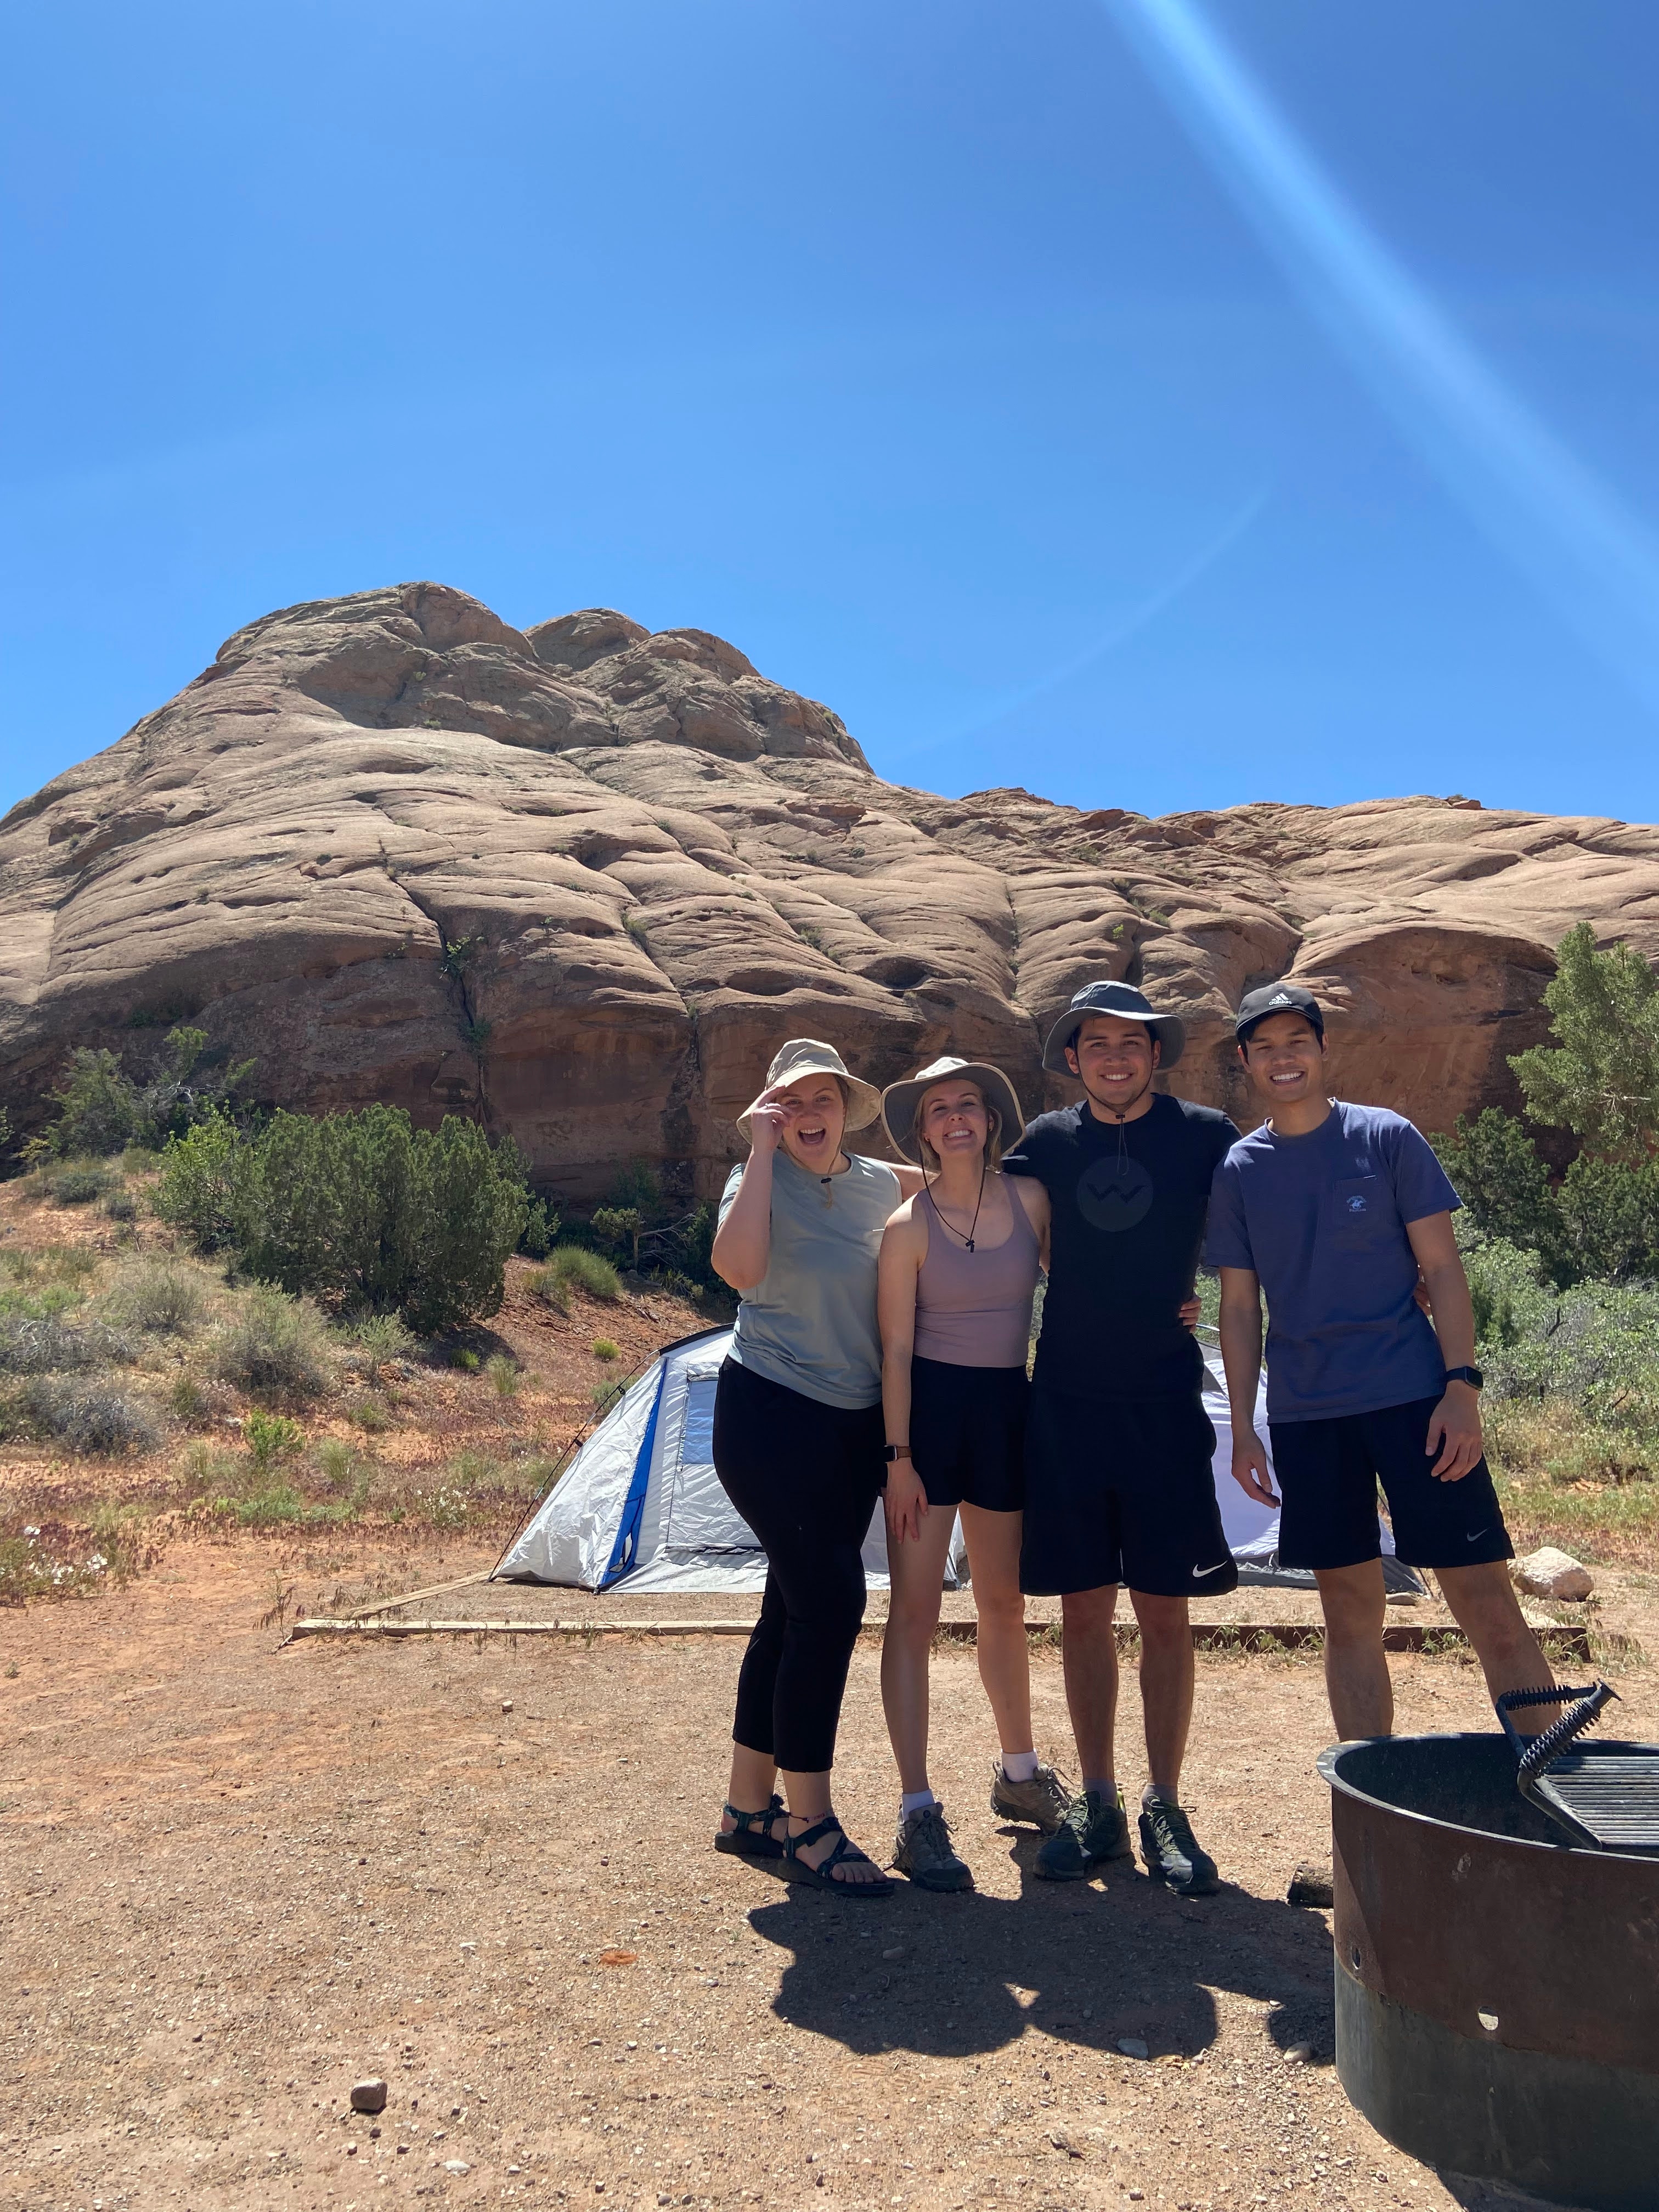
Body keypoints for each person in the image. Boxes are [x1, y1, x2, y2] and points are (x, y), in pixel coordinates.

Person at [1207, 984, 1559, 1740]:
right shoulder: (1240, 1170)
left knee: (1484, 1600)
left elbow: (1443, 1270)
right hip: (1308, 1416)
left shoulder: (1386, 1138)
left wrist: (1462, 1387)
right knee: (1347, 1613)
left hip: (1416, 1403)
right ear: (1244, 1061)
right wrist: (1243, 1428)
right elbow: (1240, 1309)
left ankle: (1554, 1801)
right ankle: (1371, 1824)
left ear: (1323, 1049)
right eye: (1264, 1047)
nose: (1283, 1059)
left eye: (1296, 1041)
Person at [1003, 980, 1238, 1894]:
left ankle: (1164, 1802)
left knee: (1165, 1612)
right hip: (1065, 1399)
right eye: (1095, 1043)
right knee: (1082, 1610)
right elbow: (963, 1201)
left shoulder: (1208, 1133)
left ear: (1155, 1053)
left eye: (1129, 1043)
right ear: (1073, 1058)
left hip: (1163, 1402)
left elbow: (1275, 1210)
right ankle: (1099, 1802)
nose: (1113, 1057)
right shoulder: (1048, 1142)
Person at [708, 1037, 906, 1895]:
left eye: (823, 1099)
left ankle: (748, 1806)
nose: (809, 1115)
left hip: (854, 1426)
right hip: (771, 1416)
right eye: (791, 1102)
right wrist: (757, 1150)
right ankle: (811, 1822)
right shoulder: (752, 1180)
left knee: (789, 1613)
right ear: (770, 1111)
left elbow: (973, 1196)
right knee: (832, 1605)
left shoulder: (875, 1183)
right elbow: (740, 1269)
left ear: (845, 1108)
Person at [875, 1056, 1069, 1892]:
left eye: (969, 1105)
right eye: (938, 1109)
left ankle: (1019, 1775)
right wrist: (899, 1461)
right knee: (915, 1613)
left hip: (1005, 1416)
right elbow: (892, 1351)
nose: (955, 1118)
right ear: (922, 1131)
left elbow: (1083, 1288)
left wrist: (1173, 1301)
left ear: (991, 1120)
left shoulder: (1031, 1200)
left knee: (1003, 1604)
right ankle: (917, 1807)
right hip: (928, 1425)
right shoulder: (906, 1228)